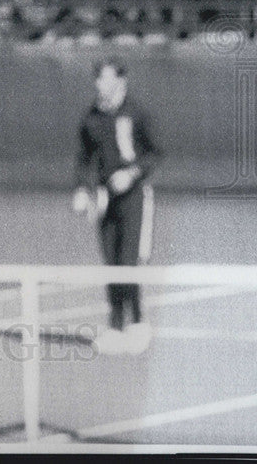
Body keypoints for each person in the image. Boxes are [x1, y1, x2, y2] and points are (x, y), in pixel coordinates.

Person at [71, 56, 161, 355]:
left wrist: (132, 173)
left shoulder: (137, 112)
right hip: (105, 201)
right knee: (110, 264)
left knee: (128, 263)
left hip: (134, 198)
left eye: (106, 78)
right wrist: (84, 190)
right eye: (97, 78)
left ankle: (137, 324)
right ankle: (114, 326)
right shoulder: (91, 117)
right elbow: (84, 158)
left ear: (121, 81)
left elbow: (154, 154)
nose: (100, 84)